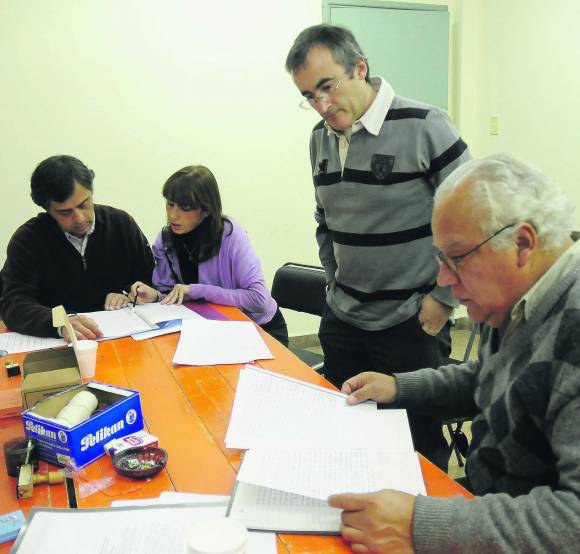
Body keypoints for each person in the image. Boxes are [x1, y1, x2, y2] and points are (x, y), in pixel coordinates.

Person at [328, 154, 580, 553]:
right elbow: (490, 377)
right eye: (441, 260)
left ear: (523, 243)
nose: (444, 279)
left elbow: (573, 520)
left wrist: (421, 525)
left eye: (456, 258)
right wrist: (398, 387)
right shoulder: (520, 298)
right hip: (484, 508)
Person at [285, 24, 472, 469]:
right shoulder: (319, 138)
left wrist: (444, 298)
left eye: (327, 87)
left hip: (410, 323)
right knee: (348, 443)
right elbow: (326, 221)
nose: (322, 104)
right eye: (309, 96)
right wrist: (334, 282)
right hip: (344, 319)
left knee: (416, 453)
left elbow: (474, 219)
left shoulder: (426, 125)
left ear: (360, 69)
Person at [130, 165, 289, 346]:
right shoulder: (166, 240)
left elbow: (258, 299)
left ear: (206, 210)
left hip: (260, 329)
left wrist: (197, 290)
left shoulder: (231, 235)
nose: (173, 215)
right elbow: (174, 293)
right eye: (170, 204)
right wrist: (156, 296)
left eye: (185, 208)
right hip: (211, 330)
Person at [0, 155, 154, 340]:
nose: (79, 218)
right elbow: (13, 304)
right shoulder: (28, 240)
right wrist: (60, 322)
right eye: (65, 212)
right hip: (60, 344)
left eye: (84, 205)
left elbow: (149, 280)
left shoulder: (122, 224)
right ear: (48, 210)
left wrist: (129, 294)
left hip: (125, 338)